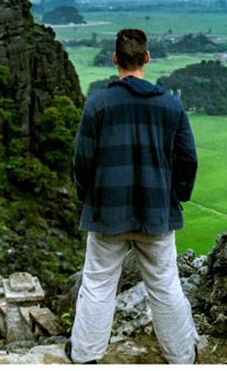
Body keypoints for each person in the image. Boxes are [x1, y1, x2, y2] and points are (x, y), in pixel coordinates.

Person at [67, 29, 199, 364]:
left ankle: (85, 354)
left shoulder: (99, 103)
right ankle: (182, 355)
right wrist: (175, 198)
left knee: (97, 284)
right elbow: (188, 160)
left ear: (115, 59)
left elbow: (81, 161)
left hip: (107, 212)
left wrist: (88, 200)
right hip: (156, 212)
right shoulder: (171, 105)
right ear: (147, 58)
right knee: (165, 286)